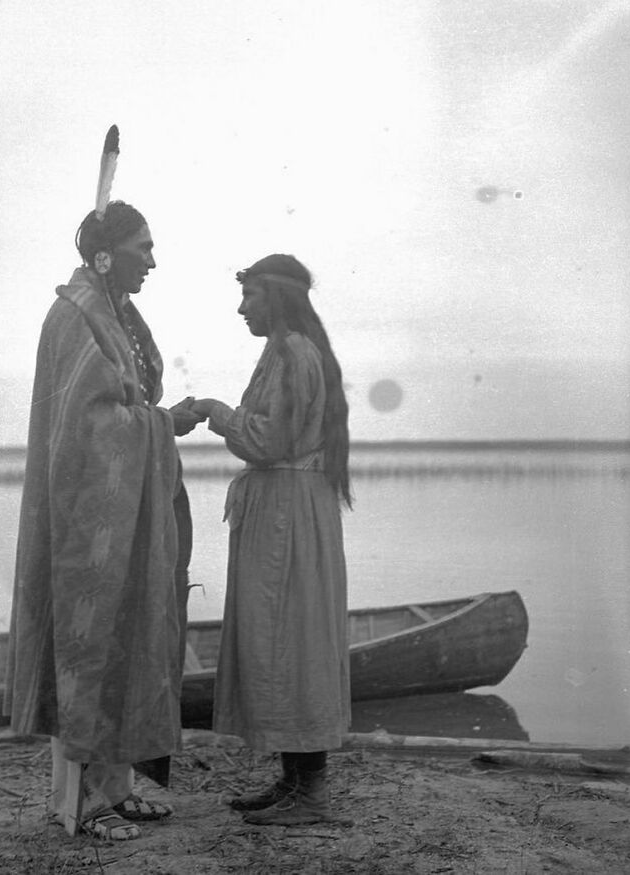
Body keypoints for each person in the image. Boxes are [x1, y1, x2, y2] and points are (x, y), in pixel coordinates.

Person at [4, 192, 203, 841]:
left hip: (123, 516)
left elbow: (129, 399)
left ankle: (114, 790)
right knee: (87, 646)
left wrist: (151, 419)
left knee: (126, 639)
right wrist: (160, 423)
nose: (153, 260)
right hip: (85, 521)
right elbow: (88, 426)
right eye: (144, 248)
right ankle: (80, 803)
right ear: (108, 253)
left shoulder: (112, 317)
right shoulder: (74, 318)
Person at [189, 254, 352, 826]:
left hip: (288, 518)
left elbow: (267, 441)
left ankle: (312, 795)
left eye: (250, 295)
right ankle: (294, 782)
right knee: (283, 641)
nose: (241, 307)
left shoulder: (291, 353)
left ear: (276, 298)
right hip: (287, 514)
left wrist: (213, 410)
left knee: (293, 643)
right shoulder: (290, 350)